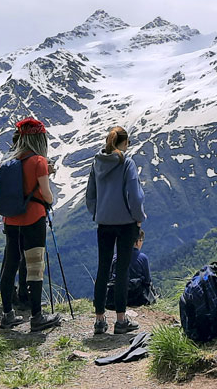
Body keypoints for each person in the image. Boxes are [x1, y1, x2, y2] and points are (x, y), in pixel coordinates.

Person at [0, 117, 62, 332]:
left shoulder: (9, 161)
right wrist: (47, 184)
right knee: (34, 266)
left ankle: (7, 315)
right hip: (33, 218)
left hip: (11, 219)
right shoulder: (39, 161)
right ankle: (36, 316)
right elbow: (47, 195)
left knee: (10, 265)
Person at [86, 126, 147, 335]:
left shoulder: (97, 163)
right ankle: (121, 321)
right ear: (125, 143)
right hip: (126, 223)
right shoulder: (127, 163)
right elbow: (135, 195)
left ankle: (99, 320)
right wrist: (138, 218)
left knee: (103, 269)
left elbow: (90, 194)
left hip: (104, 223)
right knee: (122, 270)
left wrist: (98, 214)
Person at [108, 228, 155, 308]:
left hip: (117, 297)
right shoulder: (143, 258)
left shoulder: (116, 256)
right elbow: (147, 280)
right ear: (138, 241)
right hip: (136, 298)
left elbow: (109, 276)